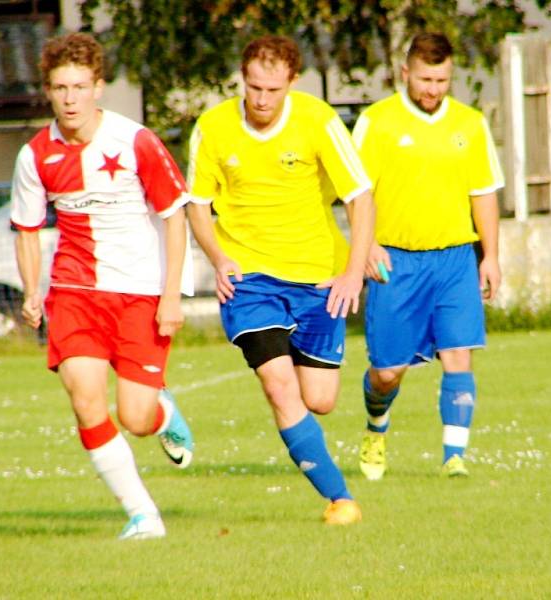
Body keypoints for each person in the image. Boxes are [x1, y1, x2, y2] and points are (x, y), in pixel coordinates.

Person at [10, 32, 195, 540]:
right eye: (59, 88)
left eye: (79, 86)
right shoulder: (35, 156)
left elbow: (175, 219)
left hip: (140, 292)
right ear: (48, 90)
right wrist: (31, 291)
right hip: (74, 293)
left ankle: (161, 413)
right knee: (85, 398)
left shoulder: (136, 141)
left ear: (98, 88)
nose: (69, 98)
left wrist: (173, 295)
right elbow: (26, 229)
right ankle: (142, 515)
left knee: (135, 416)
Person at [186, 35, 375, 524]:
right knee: (278, 385)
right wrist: (217, 257)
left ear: (292, 81)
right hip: (249, 281)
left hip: (316, 280)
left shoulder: (320, 121)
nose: (262, 99)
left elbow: (361, 198)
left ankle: (289, 354)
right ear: (242, 79)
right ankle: (340, 498)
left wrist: (353, 271)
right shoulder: (213, 128)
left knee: (320, 400)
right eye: (253, 87)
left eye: (273, 89)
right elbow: (198, 206)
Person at [353, 32, 504, 480]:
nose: (433, 89)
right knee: (387, 373)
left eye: (441, 80)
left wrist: (490, 256)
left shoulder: (470, 123)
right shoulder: (377, 121)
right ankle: (376, 426)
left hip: (455, 259)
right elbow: (357, 192)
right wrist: (367, 244)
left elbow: (484, 193)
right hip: (396, 263)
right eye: (425, 79)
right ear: (405, 73)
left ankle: (453, 457)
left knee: (459, 354)